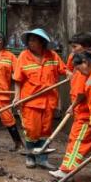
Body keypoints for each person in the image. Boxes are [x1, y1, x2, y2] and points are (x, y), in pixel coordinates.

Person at [51, 33, 91, 181]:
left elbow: (81, 91)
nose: (73, 51)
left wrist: (72, 106)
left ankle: (66, 170)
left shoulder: (86, 64)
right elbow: (70, 72)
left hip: (87, 110)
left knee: (78, 139)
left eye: (75, 47)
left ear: (86, 47)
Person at [13, 28, 67, 169]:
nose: (31, 43)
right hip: (30, 100)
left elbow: (63, 70)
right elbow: (18, 79)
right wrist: (17, 97)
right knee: (32, 130)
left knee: (45, 131)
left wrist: (71, 73)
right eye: (30, 40)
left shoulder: (53, 56)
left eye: (34, 40)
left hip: (49, 100)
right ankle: (30, 157)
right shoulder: (23, 57)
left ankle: (43, 158)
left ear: (42, 42)